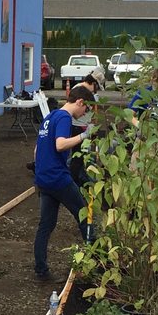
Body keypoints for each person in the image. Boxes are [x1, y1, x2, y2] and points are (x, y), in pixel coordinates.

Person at [32, 85, 95, 281]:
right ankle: (96, 264)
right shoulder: (65, 118)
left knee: (46, 225)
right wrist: (84, 135)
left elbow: (36, 150)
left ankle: (41, 271)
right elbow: (60, 144)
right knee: (85, 216)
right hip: (58, 179)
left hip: (44, 179)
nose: (84, 113)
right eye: (85, 109)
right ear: (80, 102)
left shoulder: (49, 117)